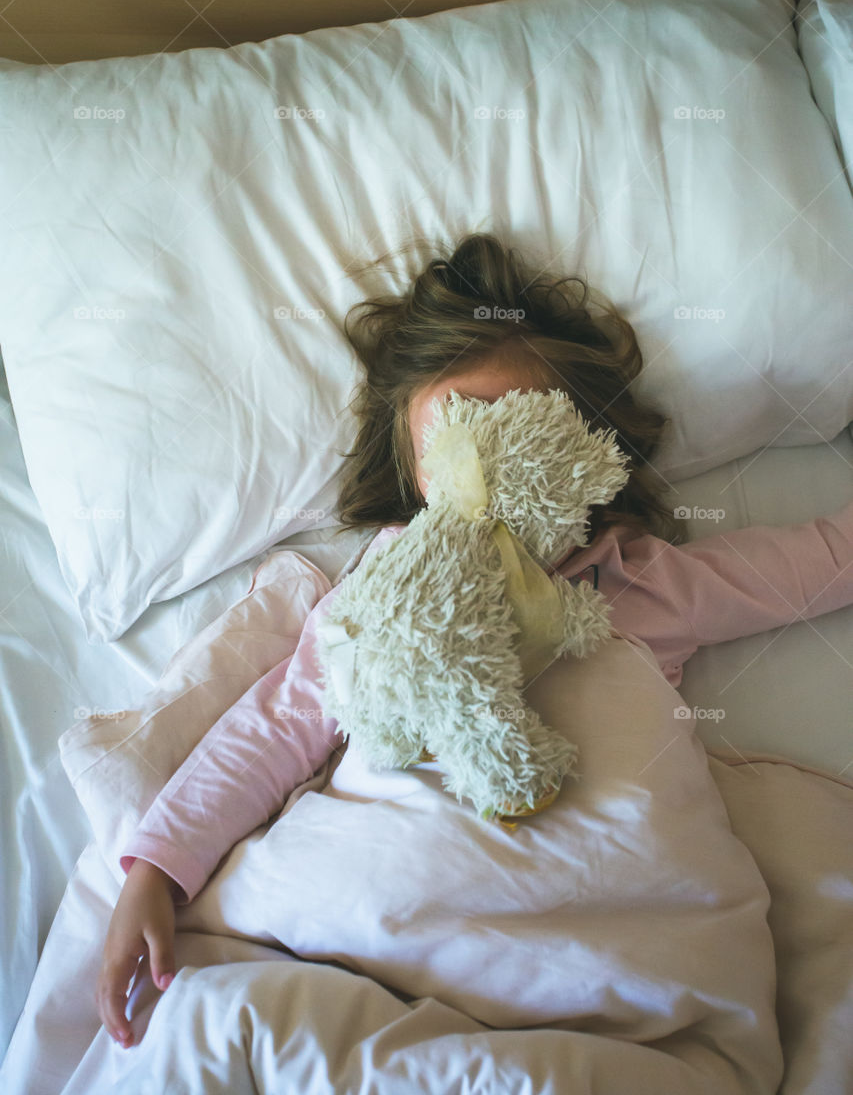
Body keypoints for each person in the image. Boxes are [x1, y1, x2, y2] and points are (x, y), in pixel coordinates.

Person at [96, 233, 853, 1047]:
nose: (485, 470)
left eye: (510, 431)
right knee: (232, 1026)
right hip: (377, 907)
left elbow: (813, 562)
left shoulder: (642, 584)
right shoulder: (382, 589)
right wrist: (157, 870)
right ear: (417, 474)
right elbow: (277, 723)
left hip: (584, 927)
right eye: (451, 442)